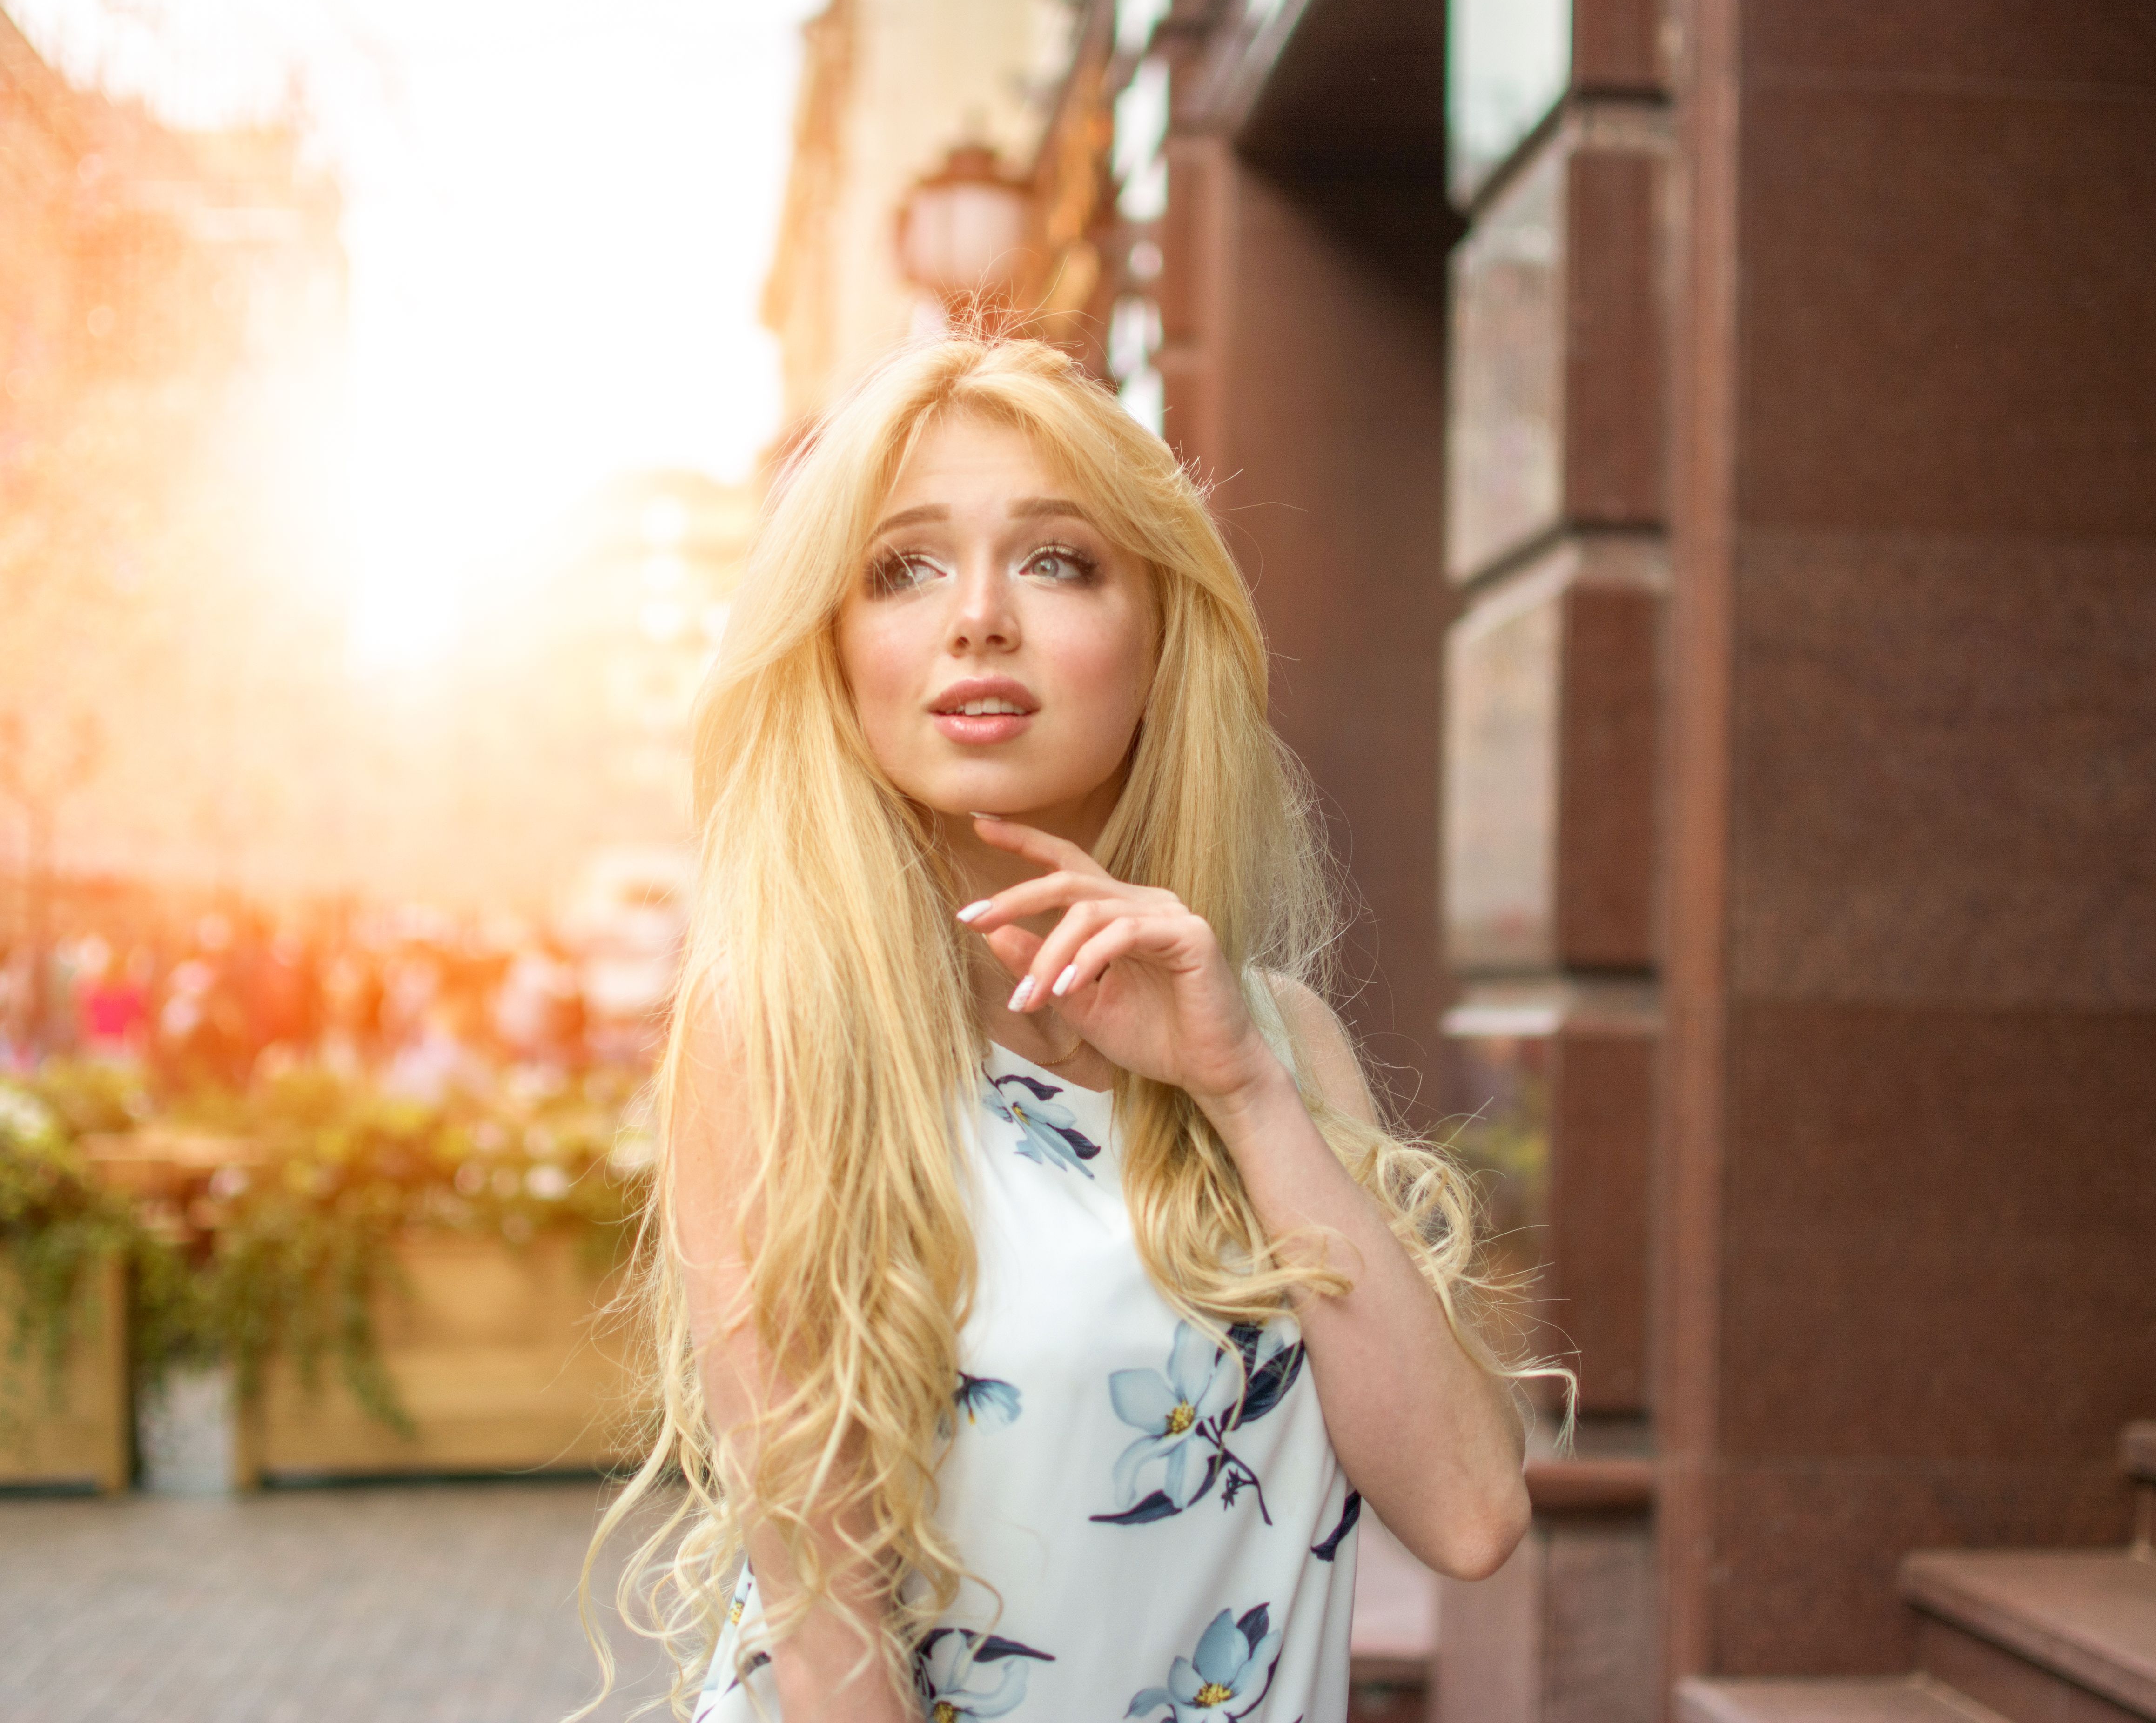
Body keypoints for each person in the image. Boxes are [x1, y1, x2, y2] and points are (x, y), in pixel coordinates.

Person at [591, 338, 1560, 1723]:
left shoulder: (1277, 1045)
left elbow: (1469, 1512)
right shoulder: (786, 1037)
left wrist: (1240, 1086)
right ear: (834, 646)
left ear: (1158, 637)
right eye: (902, 567)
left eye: (1055, 560)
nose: (978, 616)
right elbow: (827, 1631)